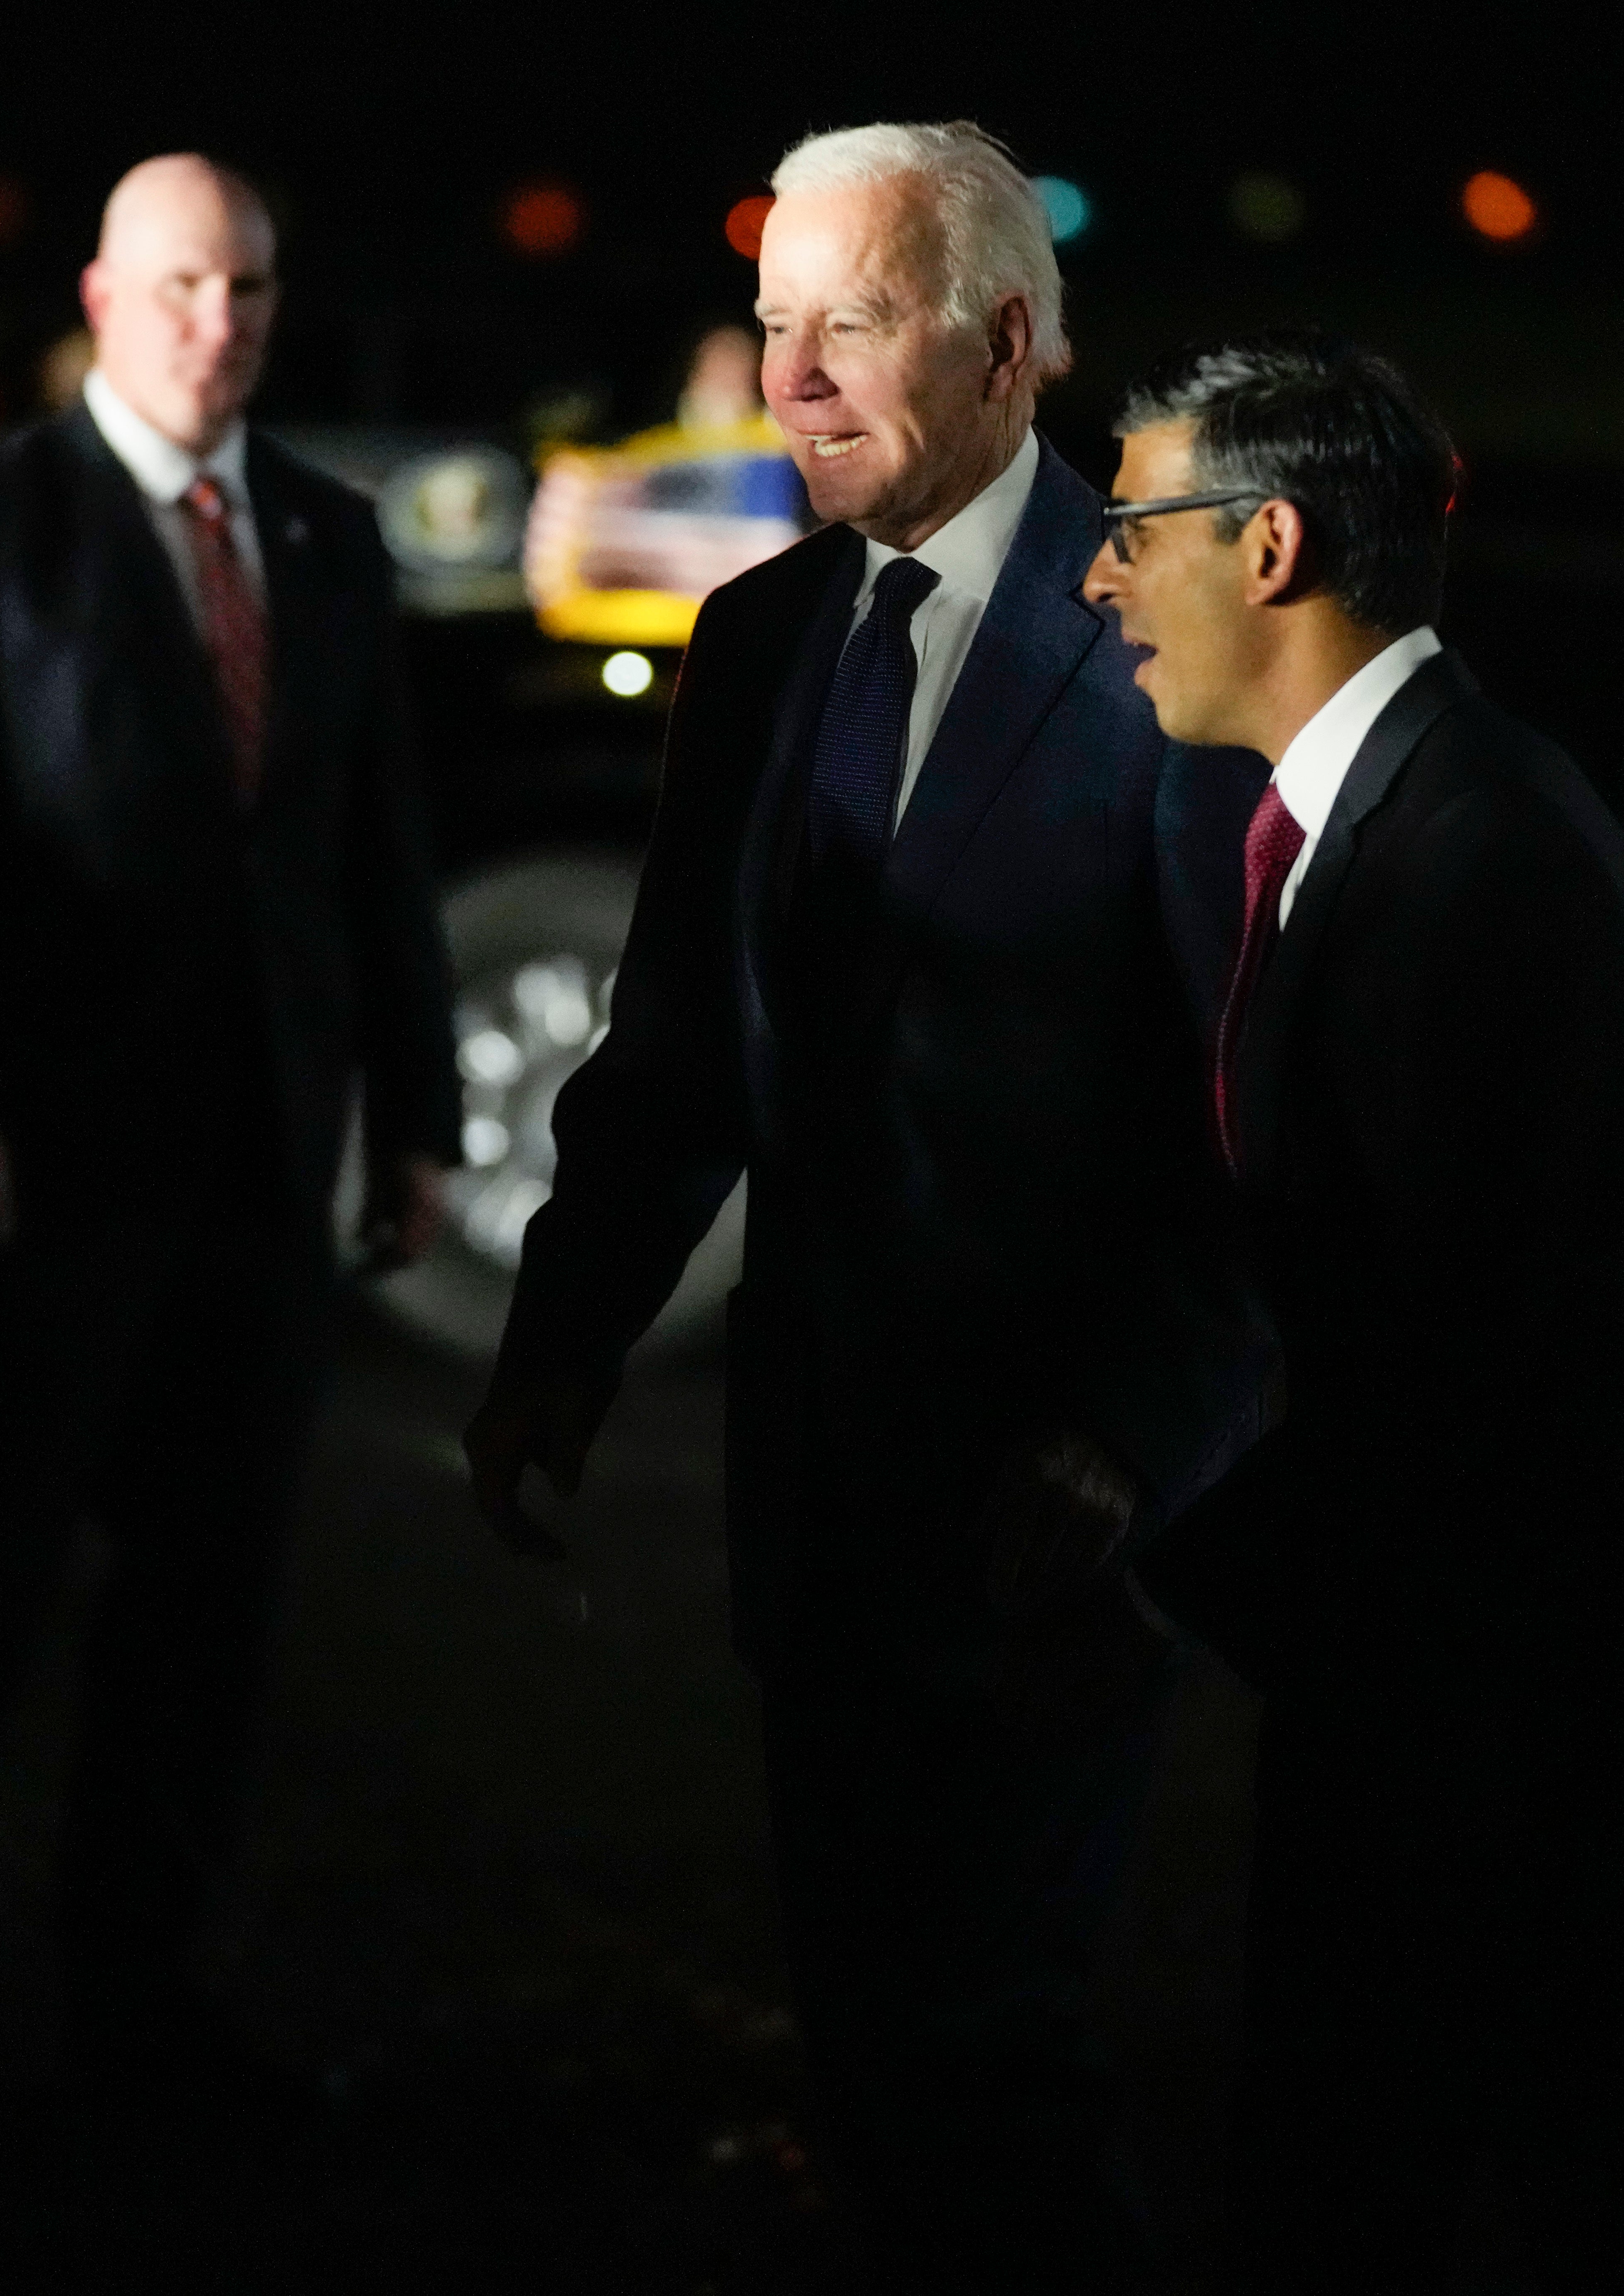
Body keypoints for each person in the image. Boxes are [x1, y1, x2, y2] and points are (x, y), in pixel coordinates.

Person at [465, 121, 1262, 2286]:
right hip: (820, 1502)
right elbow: (680, 1047)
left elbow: (1260, 1105)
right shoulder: (756, 638)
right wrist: (563, 1338)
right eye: (772, 322)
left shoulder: (1175, 641)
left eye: (854, 322)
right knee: (872, 2053)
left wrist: (1141, 1426)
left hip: (1053, 1509)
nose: (792, 378)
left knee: (994, 2061)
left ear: (1007, 346)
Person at [1082, 330, 1624, 2292]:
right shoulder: (1390, 814)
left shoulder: (1477, 853)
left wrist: (1152, 1544)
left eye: (1132, 530)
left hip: (1517, 1695)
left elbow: (1463, 1348)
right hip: (1442, 1661)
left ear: (1272, 546)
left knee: (1506, 2187)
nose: (1099, 579)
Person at [0, 154, 458, 2100]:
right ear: (100, 295)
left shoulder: (327, 535)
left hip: (263, 1161)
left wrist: (413, 1113)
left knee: (207, 1606)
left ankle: (138, 1996)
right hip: (50, 1162)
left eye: (247, 288)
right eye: (180, 284)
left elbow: (373, 845)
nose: (216, 323)